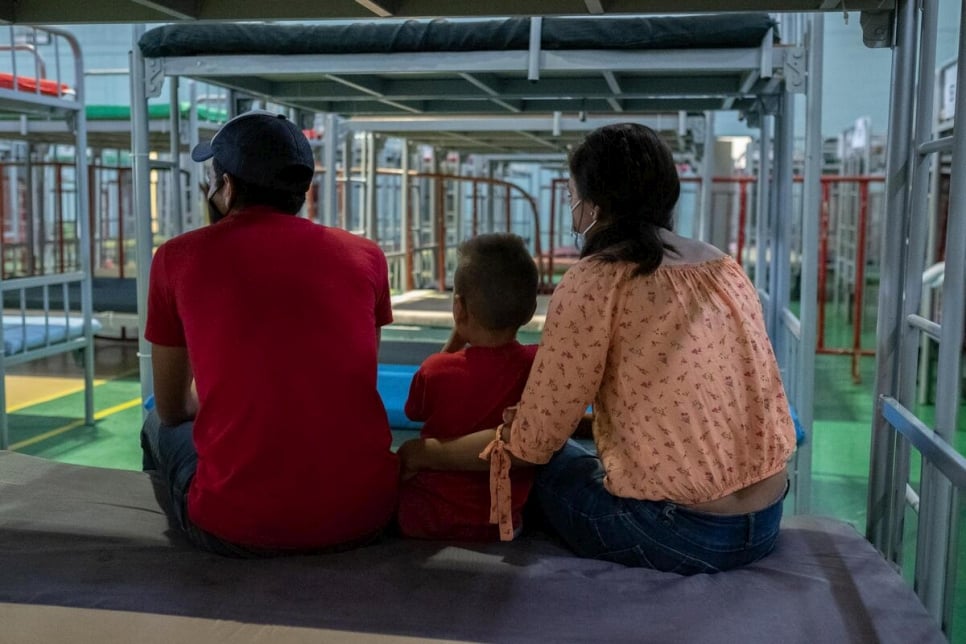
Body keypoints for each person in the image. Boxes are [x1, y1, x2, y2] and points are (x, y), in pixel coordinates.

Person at [398, 122, 797, 574]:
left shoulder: (596, 280)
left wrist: (422, 453)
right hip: (766, 519)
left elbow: (532, 445)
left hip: (677, 534)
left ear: (594, 206)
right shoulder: (723, 266)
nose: (573, 210)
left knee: (547, 465)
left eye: (573, 196)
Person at [140, 110, 398, 556]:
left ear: (228, 186)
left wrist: (212, 394)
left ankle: (176, 571)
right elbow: (357, 379)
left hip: (236, 527)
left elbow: (172, 407)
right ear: (300, 190)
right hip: (367, 515)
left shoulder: (177, 258)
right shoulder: (367, 256)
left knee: (154, 425)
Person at [397, 233, 539, 542]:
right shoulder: (537, 363)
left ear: (459, 309)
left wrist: (452, 341)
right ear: (530, 311)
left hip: (425, 517)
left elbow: (414, 411)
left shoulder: (436, 369)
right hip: (504, 523)